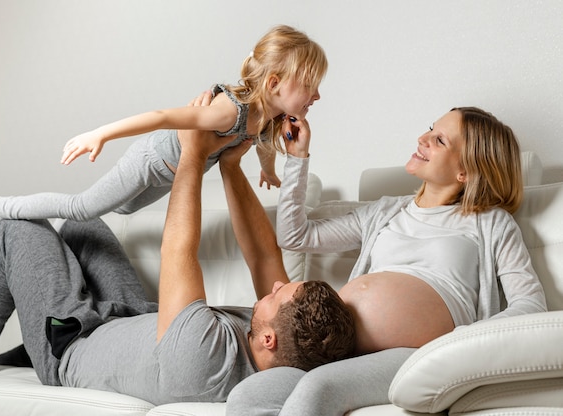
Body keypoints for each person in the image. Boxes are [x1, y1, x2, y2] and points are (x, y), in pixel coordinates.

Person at [0, 113, 358, 405]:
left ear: (270, 341)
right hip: (131, 319)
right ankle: (28, 337)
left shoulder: (203, 358)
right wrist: (231, 164)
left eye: (280, 295)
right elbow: (264, 253)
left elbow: (178, 248)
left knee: (18, 226)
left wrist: (193, 151)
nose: (277, 286)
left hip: (73, 347)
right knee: (84, 226)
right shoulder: (283, 344)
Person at [226, 106, 547, 416]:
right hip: (337, 352)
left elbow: (530, 303)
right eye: (431, 128)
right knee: (249, 396)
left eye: (439, 140)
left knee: (318, 390)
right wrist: (298, 157)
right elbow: (296, 237)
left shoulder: (491, 223)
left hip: (420, 356)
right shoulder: (386, 211)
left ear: (466, 170)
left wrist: (462, 343)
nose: (423, 137)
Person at [0, 24, 327, 241]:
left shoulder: (270, 120)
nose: (317, 95)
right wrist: (101, 134)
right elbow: (161, 117)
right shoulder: (229, 110)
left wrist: (268, 170)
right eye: (310, 85)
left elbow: (262, 142)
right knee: (82, 208)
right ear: (275, 83)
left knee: (123, 210)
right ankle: (1, 206)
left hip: (167, 177)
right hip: (150, 161)